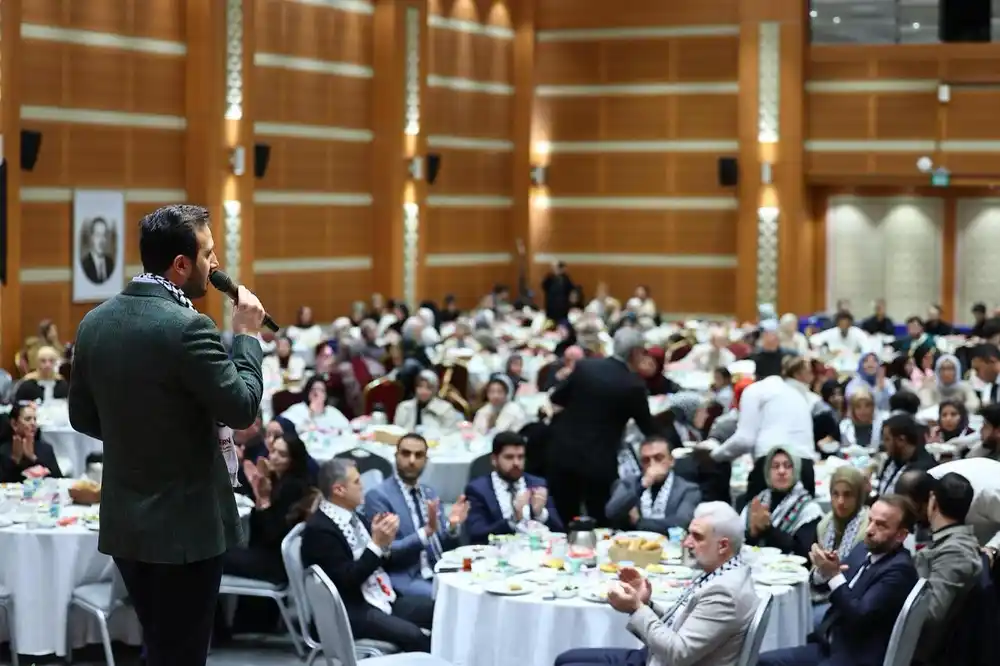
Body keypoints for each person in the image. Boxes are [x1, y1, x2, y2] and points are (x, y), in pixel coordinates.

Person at [67, 204, 266, 666]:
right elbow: (241, 408)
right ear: (180, 264)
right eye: (208, 254)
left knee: (161, 646)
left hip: (126, 525)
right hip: (185, 529)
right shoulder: (189, 326)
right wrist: (247, 337)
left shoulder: (94, 322)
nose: (215, 264)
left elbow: (82, 418)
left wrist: (141, 434)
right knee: (182, 654)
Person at [555, 502, 759, 666]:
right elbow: (681, 626)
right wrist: (647, 604)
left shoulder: (724, 592)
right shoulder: (724, 572)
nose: (687, 543)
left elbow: (677, 653)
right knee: (565, 659)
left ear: (723, 546)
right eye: (689, 534)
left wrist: (636, 608)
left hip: (666, 661)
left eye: (697, 537)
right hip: (655, 657)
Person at [758, 495, 919, 666]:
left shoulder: (900, 570)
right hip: (830, 645)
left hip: (856, 656)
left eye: (881, 525)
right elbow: (831, 587)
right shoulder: (864, 549)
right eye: (870, 520)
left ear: (901, 535)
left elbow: (859, 614)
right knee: (762, 661)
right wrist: (823, 570)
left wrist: (833, 574)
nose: (869, 530)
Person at [301, 459, 434, 652]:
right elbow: (348, 580)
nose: (362, 486)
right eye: (356, 482)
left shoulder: (354, 516)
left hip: (376, 596)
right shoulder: (320, 530)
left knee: (438, 610)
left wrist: (385, 543)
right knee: (414, 636)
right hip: (350, 610)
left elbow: (378, 562)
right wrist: (376, 545)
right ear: (339, 490)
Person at [546, 328, 659, 526]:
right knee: (600, 523)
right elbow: (648, 428)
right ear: (635, 353)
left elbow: (557, 397)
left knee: (564, 521)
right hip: (598, 462)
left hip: (564, 453)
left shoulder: (585, 367)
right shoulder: (633, 385)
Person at [363, 433, 470, 597]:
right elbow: (387, 552)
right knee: (450, 597)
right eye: (406, 454)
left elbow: (442, 544)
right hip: (405, 577)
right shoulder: (378, 496)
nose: (412, 460)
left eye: (418, 455)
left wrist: (452, 527)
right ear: (396, 456)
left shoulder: (429, 493)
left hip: (438, 570)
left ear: (426, 460)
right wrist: (425, 533)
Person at [906, 472, 982, 665]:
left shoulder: (956, 552)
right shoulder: (952, 542)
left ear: (933, 500)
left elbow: (931, 613)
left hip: (923, 655)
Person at [464, 431, 563, 544]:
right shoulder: (478, 489)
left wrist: (540, 514)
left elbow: (559, 531)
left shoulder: (537, 484)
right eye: (509, 457)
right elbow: (476, 534)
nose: (516, 463)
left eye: (520, 457)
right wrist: (513, 520)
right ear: (494, 460)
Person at [605, 436, 701, 534]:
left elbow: (680, 525)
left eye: (658, 458)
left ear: (671, 461)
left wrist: (639, 522)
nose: (652, 464)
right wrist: (642, 485)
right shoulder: (629, 483)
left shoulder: (688, 489)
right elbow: (611, 513)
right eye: (646, 460)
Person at [742, 447, 823, 558]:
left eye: (787, 466)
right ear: (767, 472)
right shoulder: (756, 504)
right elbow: (742, 547)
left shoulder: (809, 510)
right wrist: (752, 534)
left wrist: (768, 530)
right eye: (775, 466)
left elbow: (804, 551)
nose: (781, 471)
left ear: (796, 470)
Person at [0, 401, 64, 482]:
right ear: (14, 424)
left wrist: (33, 458)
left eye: (35, 419)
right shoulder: (3, 450)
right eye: (28, 419)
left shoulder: (46, 449)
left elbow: (58, 480)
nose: (33, 423)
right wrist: (15, 460)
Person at [81, 216, 116, 283]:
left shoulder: (110, 263)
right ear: (91, 238)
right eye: (98, 235)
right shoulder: (85, 265)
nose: (101, 241)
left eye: (104, 235)